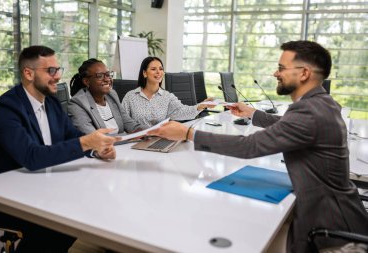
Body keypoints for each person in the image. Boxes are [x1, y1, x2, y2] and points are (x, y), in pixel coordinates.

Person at [148, 41, 368, 252]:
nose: (275, 73)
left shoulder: (309, 110)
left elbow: (249, 146)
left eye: (281, 68)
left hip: (332, 231)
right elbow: (289, 126)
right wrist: (253, 114)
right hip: (336, 214)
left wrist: (188, 133)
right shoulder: (323, 103)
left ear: (304, 73)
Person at [0, 45, 118, 252]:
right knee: (72, 212)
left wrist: (96, 149)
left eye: (58, 70)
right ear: (28, 73)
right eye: (51, 71)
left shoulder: (52, 103)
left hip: (45, 184)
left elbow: (72, 137)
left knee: (100, 199)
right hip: (8, 197)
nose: (57, 76)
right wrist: (87, 143)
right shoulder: (5, 109)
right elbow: (30, 156)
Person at [122, 56, 214, 127]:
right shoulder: (131, 96)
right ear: (144, 73)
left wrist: (201, 106)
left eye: (161, 69)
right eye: (153, 69)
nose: (159, 72)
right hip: (135, 141)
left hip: (159, 139)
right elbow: (123, 121)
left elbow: (182, 111)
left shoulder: (167, 97)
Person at [68, 58, 146, 134]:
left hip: (122, 145)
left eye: (108, 74)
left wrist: (149, 131)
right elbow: (92, 138)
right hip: (100, 146)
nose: (107, 79)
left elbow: (129, 124)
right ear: (86, 81)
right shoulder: (77, 103)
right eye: (100, 76)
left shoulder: (111, 95)